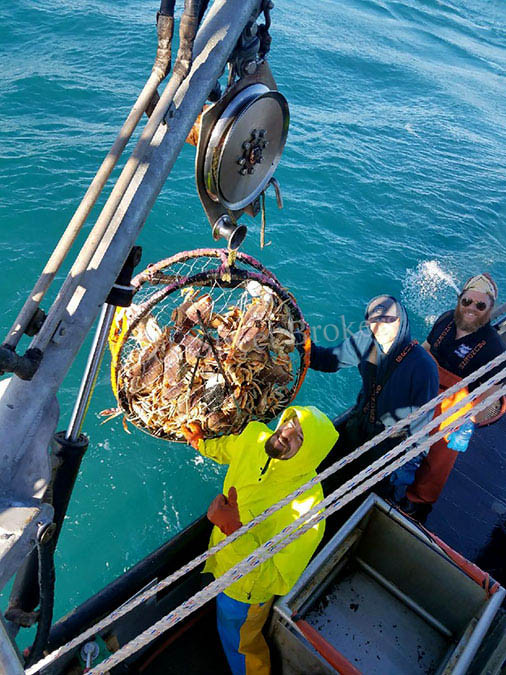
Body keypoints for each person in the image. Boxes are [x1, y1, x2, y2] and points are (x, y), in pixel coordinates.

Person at [182, 405, 338, 675]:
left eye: (300, 438)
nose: (287, 433)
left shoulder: (309, 509)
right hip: (219, 557)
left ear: (309, 455)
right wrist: (201, 443)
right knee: (225, 628)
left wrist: (234, 530)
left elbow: (278, 580)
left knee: (241, 644)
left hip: (244, 591)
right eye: (291, 422)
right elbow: (229, 448)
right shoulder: (254, 436)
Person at [309, 295, 439, 500]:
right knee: (320, 476)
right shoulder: (365, 341)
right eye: (374, 320)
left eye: (389, 319)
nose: (381, 326)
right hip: (357, 427)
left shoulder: (423, 367)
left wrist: (404, 469)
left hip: (387, 446)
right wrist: (301, 343)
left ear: (402, 321)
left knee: (358, 499)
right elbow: (327, 360)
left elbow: (420, 426)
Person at [403, 273, 505, 516]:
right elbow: (426, 349)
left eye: (480, 305)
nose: (471, 309)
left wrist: (468, 422)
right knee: (399, 432)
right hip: (426, 390)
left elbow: (491, 396)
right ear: (460, 300)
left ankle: (420, 499)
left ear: (490, 309)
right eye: (467, 301)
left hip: (456, 407)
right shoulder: (445, 320)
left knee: (439, 457)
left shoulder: (493, 348)